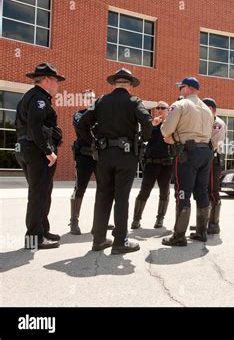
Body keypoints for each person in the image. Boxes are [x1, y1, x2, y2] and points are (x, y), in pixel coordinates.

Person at [77, 68, 158, 254]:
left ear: (114, 84)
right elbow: (147, 122)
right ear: (129, 85)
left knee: (103, 196)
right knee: (121, 197)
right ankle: (120, 241)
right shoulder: (134, 101)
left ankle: (98, 240)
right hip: (126, 155)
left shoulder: (100, 101)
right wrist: (143, 139)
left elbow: (82, 124)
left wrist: (94, 142)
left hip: (104, 155)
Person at [15, 63, 65, 250]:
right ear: (46, 80)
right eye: (55, 81)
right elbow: (34, 127)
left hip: (28, 148)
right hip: (36, 151)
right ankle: (33, 238)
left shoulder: (31, 96)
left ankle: (42, 230)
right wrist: (47, 151)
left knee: (43, 192)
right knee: (38, 194)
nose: (57, 85)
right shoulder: (38, 99)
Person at [161, 77, 214, 246]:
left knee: (182, 191)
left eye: (181, 87)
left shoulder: (180, 105)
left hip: (187, 153)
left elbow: (166, 130)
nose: (179, 90)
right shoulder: (207, 109)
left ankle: (179, 236)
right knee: (202, 191)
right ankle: (201, 232)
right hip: (206, 152)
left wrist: (168, 132)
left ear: (188, 88)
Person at [131, 101, 174, 229]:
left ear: (168, 111)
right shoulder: (151, 124)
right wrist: (150, 125)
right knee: (144, 191)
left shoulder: (171, 126)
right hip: (151, 163)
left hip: (166, 164)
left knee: (164, 192)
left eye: (163, 108)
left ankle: (160, 219)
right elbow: (143, 138)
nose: (159, 110)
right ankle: (136, 219)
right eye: (158, 108)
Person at [68, 90, 97, 235]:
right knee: (79, 188)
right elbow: (82, 128)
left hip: (99, 157)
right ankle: (74, 221)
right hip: (84, 156)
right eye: (87, 98)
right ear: (82, 101)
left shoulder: (101, 116)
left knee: (104, 189)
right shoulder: (79, 114)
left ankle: (100, 221)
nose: (90, 100)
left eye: (92, 98)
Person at [202, 98, 227, 235]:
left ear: (212, 109)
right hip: (204, 159)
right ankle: (204, 222)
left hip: (213, 160)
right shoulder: (204, 121)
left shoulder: (217, 123)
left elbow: (214, 142)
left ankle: (214, 224)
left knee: (212, 191)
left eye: (206, 107)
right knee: (203, 191)